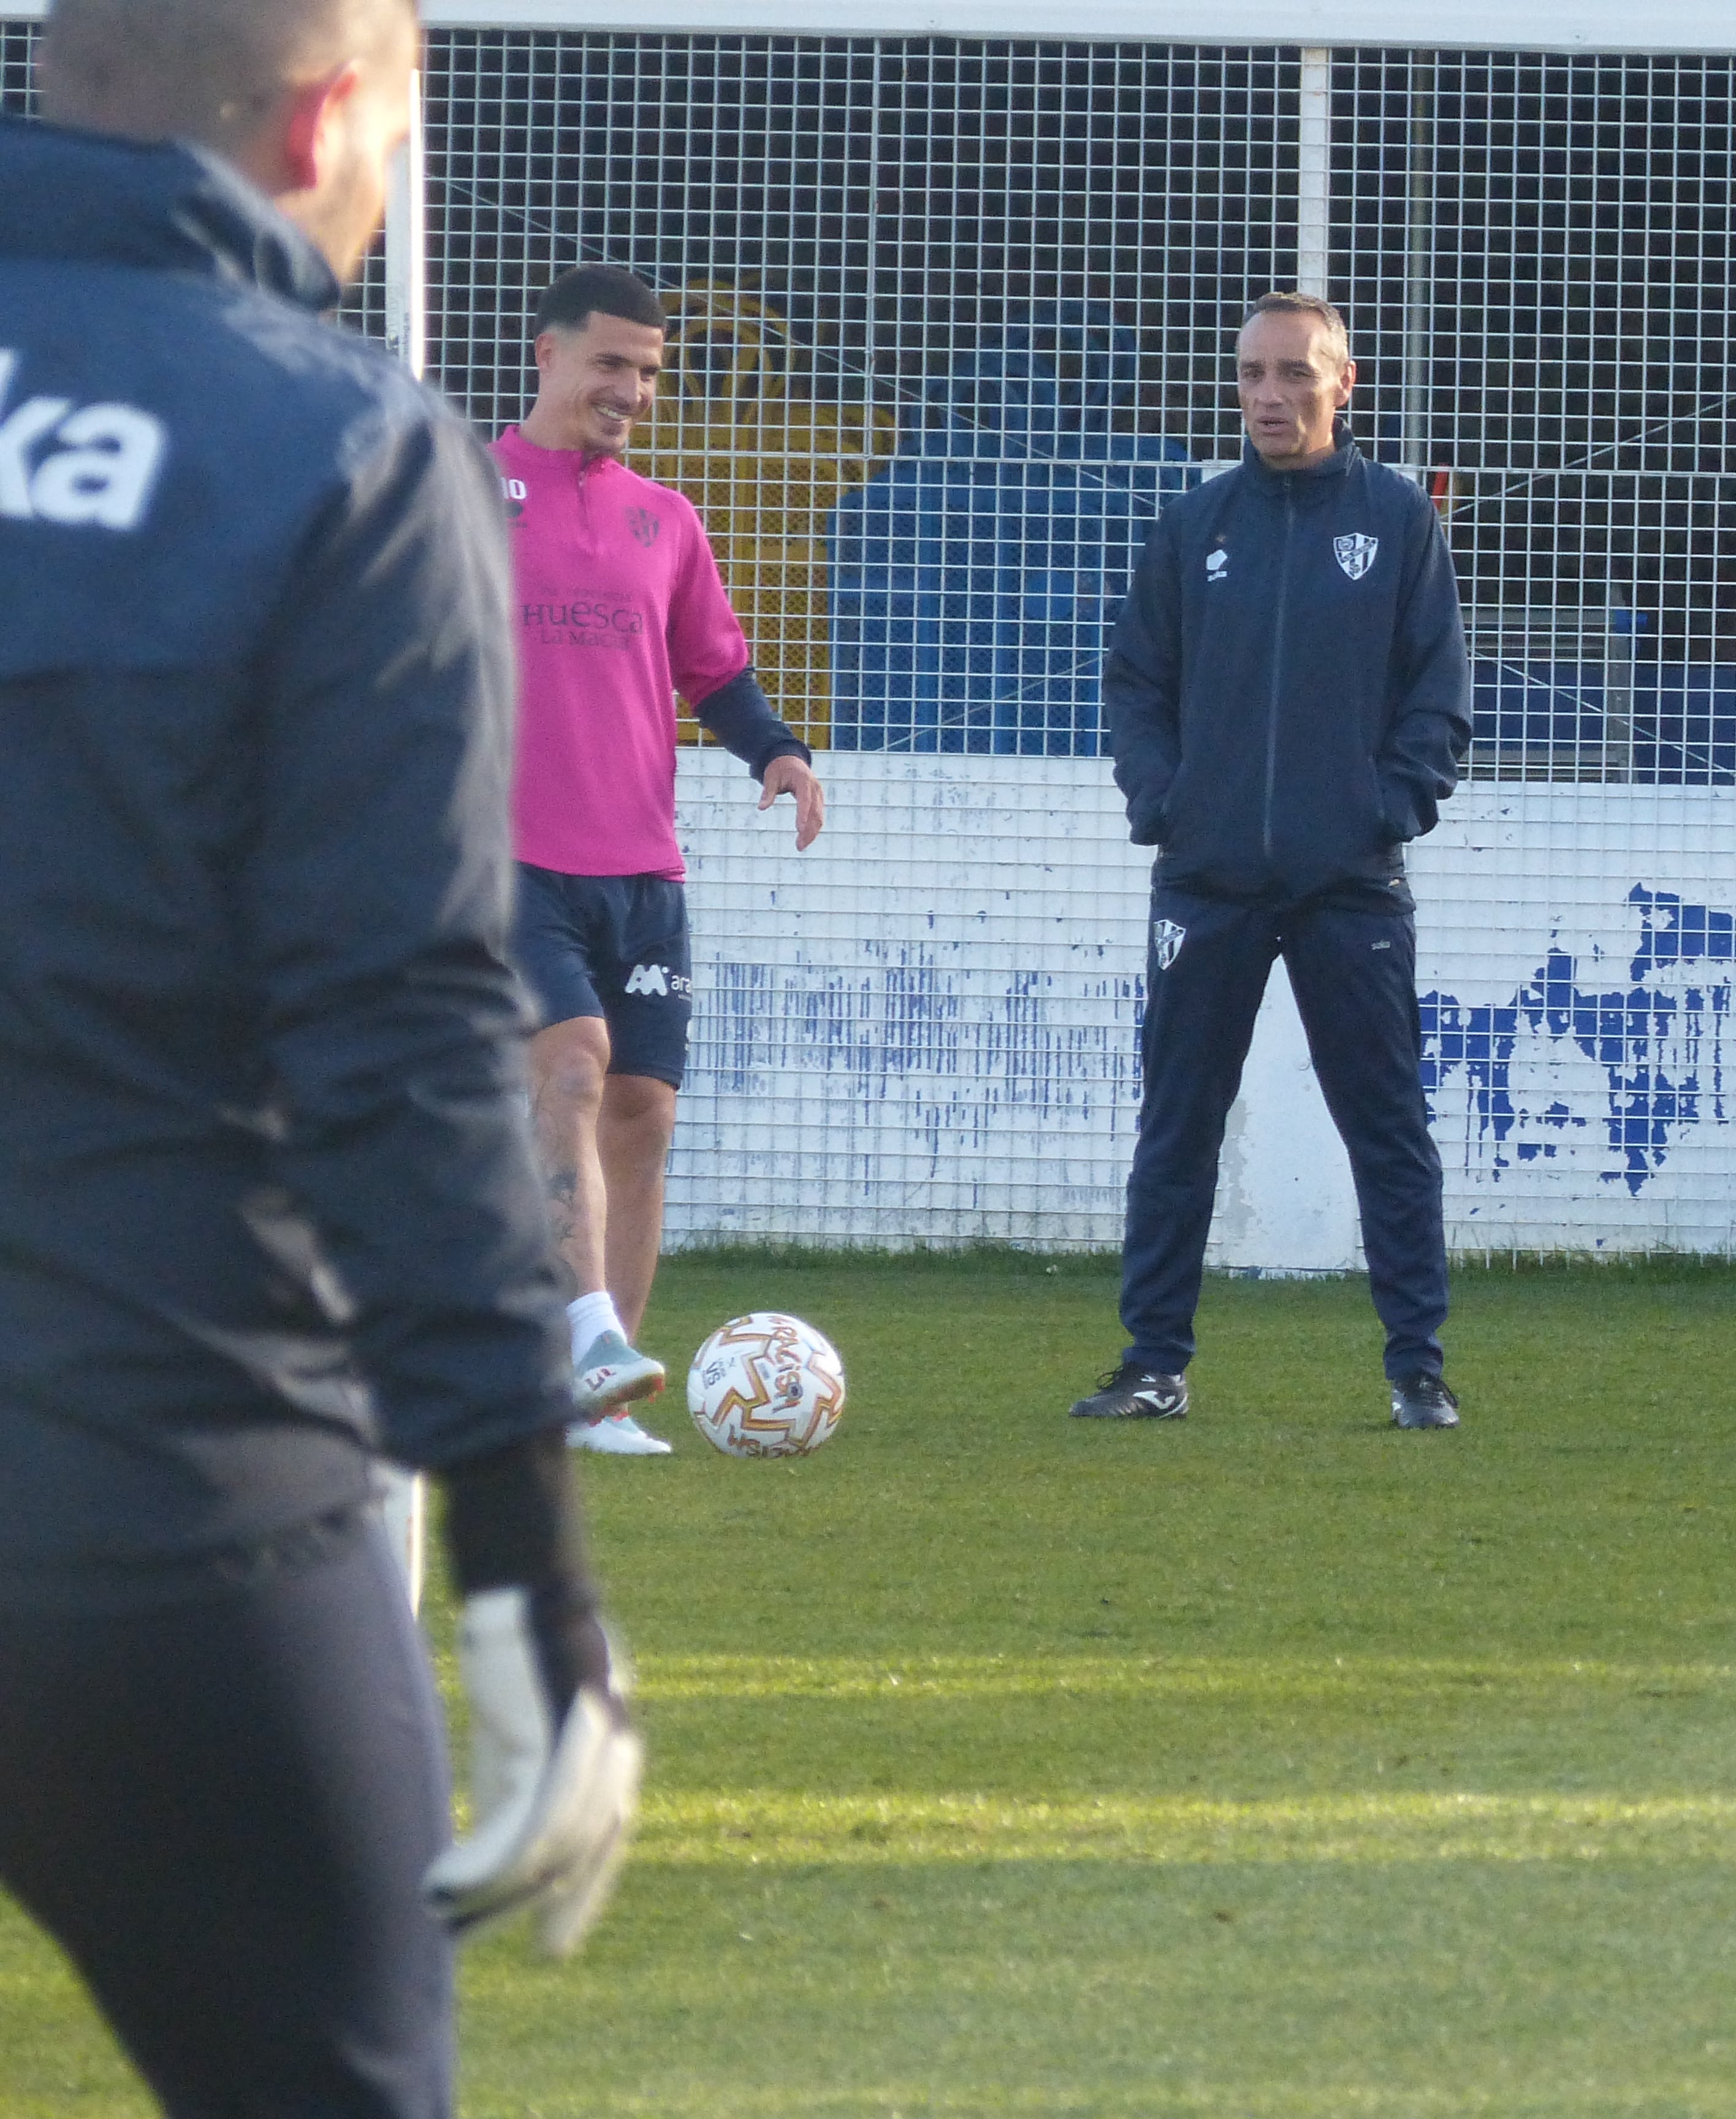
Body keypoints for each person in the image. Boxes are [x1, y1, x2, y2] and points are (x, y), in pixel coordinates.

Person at [0, 1, 643, 2113]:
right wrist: (524, 1578)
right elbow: (398, 1034)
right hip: (158, 1500)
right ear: (330, 115)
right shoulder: (330, 439)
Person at [1081, 291, 1470, 1429]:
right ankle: (1154, 1364)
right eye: (1254, 373)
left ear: (1343, 386)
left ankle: (1417, 1371)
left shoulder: (1396, 522)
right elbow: (1138, 687)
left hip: (1351, 880)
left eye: (1297, 373)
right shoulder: (1195, 525)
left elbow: (1437, 702)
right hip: (1206, 880)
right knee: (1178, 1124)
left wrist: (1380, 810)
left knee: (1386, 1125)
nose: (1270, 394)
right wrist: (1166, 802)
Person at [495, 262, 824, 1454]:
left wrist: (778, 756)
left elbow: (715, 671)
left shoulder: (664, 518)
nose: (631, 388)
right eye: (611, 364)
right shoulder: (467, 492)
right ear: (548, 355)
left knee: (639, 1113)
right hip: (509, 862)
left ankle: (601, 1385)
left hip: (644, 871)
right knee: (571, 1073)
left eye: (647, 370)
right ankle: (585, 1340)